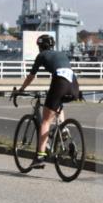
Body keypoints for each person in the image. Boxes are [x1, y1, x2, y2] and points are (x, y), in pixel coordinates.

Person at [15, 34, 80, 168]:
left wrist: (21, 89)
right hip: (74, 85)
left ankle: (39, 156)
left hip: (60, 83)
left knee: (45, 121)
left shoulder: (41, 56)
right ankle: (63, 128)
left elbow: (31, 76)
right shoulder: (61, 54)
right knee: (58, 104)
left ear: (40, 46)